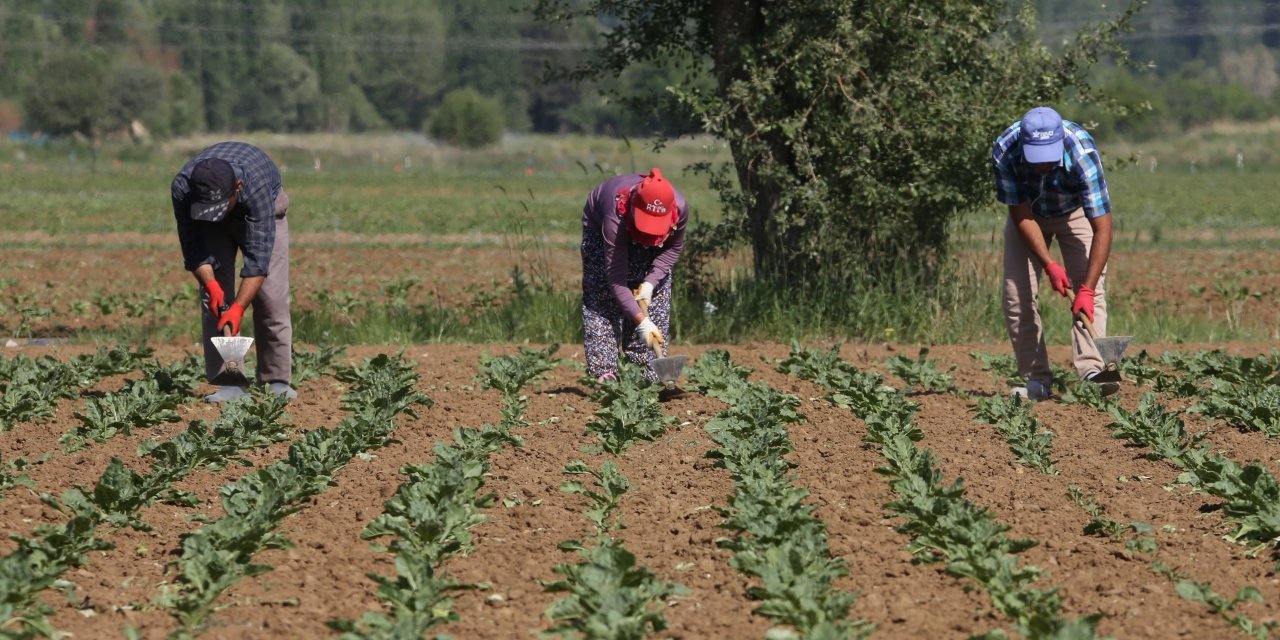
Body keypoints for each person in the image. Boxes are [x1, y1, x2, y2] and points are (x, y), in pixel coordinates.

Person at [992, 106, 1120, 401]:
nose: (1042, 166)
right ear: (1024, 145)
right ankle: (1036, 379)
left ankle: (1093, 371)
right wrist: (1049, 265)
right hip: (1029, 218)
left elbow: (1103, 228)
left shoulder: (1081, 152)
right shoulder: (1005, 151)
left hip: (1075, 213)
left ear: (1060, 142)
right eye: (1036, 159)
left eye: (1048, 158)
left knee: (1092, 293)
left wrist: (1085, 289)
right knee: (1017, 296)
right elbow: (1021, 214)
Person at [171, 142, 296, 402]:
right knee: (215, 304)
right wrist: (214, 287)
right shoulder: (183, 188)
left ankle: (276, 379)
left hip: (266, 211)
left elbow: (258, 261)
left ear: (236, 189)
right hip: (210, 221)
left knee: (271, 298)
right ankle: (231, 382)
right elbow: (193, 248)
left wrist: (238, 307)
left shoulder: (255, 184)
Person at [580, 167, 688, 383]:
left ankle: (650, 375)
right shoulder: (615, 216)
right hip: (604, 228)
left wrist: (649, 283)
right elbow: (616, 278)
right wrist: (641, 322)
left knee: (656, 298)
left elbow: (673, 250)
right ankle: (606, 373)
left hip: (650, 232)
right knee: (602, 299)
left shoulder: (680, 208)